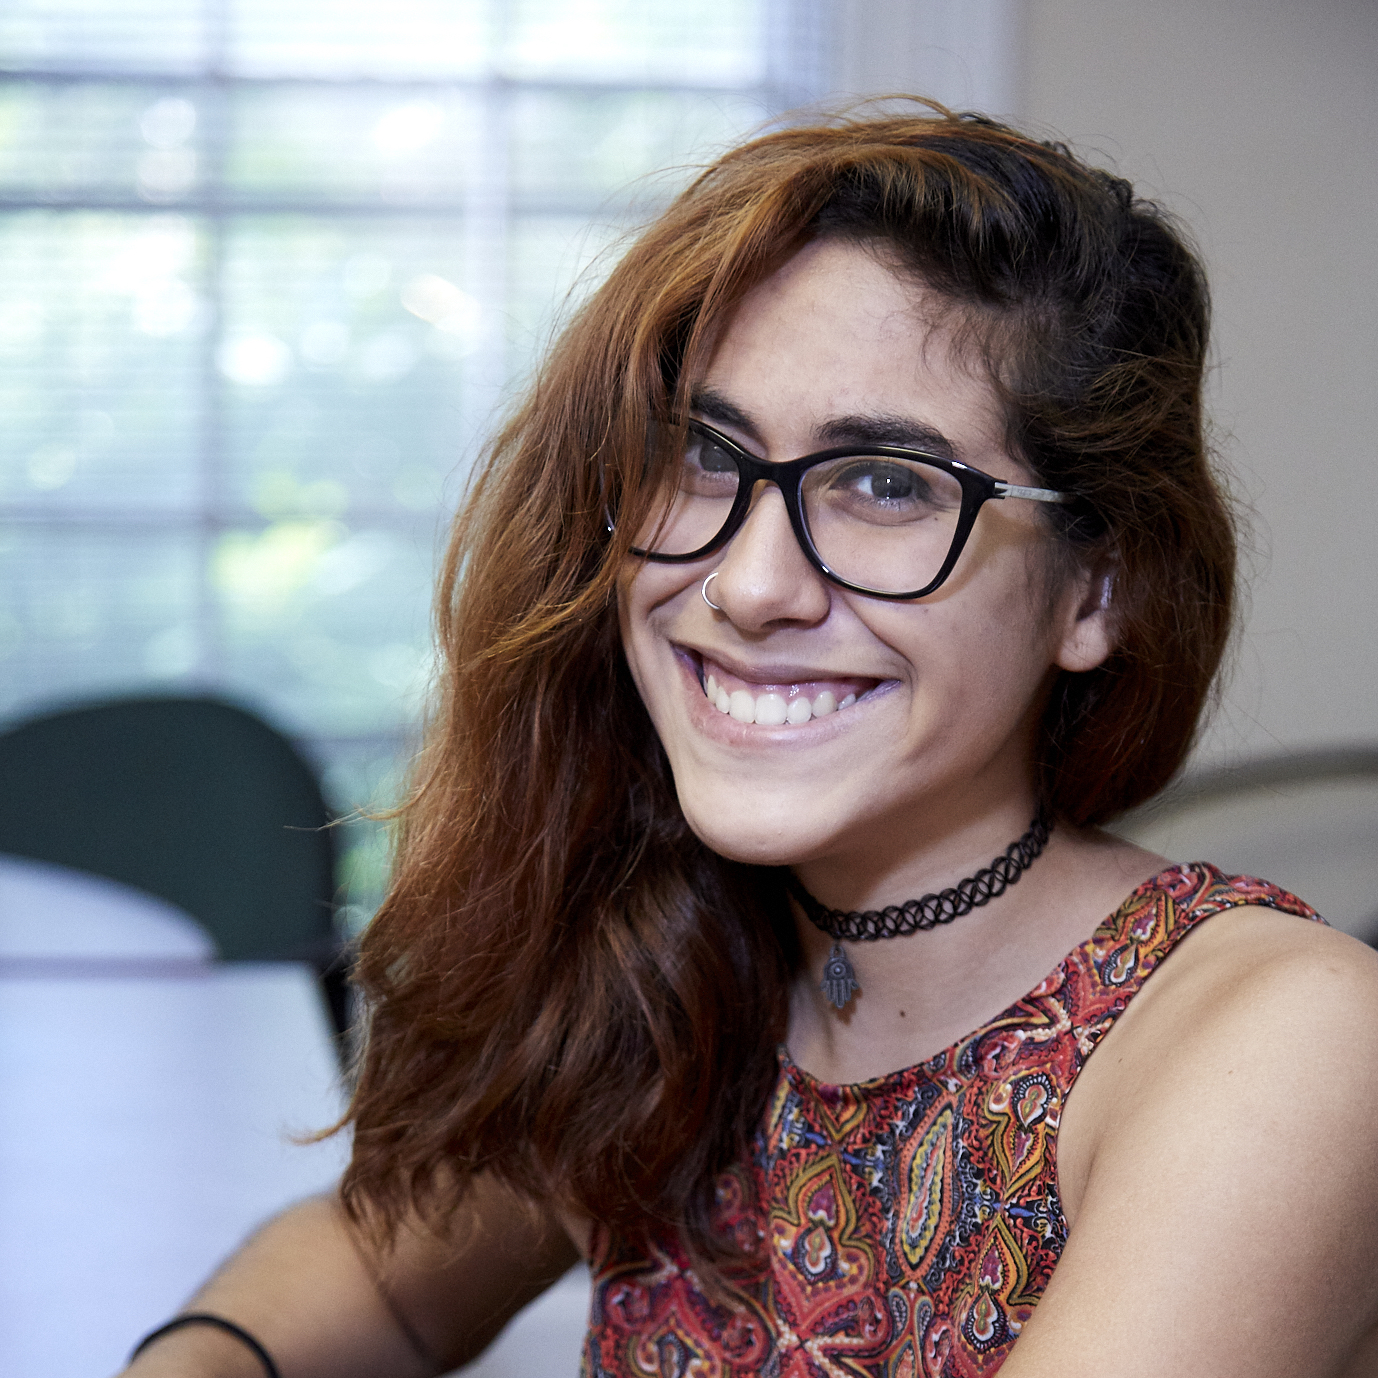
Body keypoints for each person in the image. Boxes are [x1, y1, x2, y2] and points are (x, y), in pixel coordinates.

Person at [122, 103, 1378, 1378]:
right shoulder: (689, 958)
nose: (747, 583)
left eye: (888, 481)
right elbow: (372, 1279)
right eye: (701, 455)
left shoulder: (1283, 1040)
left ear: (1096, 592)